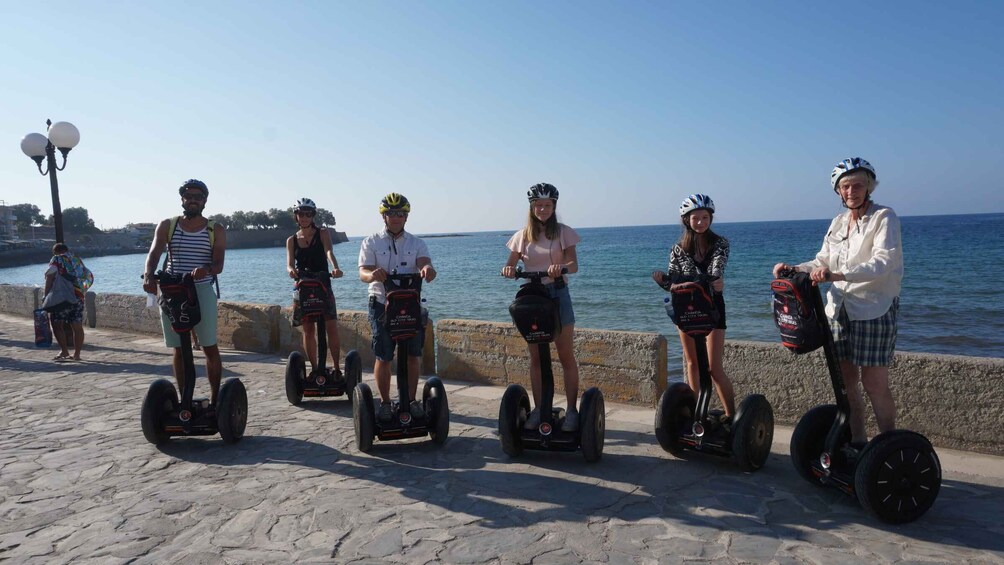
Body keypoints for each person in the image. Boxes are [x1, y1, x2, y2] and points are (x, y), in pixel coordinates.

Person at [773, 157, 903, 445]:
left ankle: (890, 447)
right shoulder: (838, 222)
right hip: (838, 309)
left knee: (874, 383)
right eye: (845, 186)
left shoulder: (884, 217)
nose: (851, 191)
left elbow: (884, 261)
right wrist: (795, 268)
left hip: (874, 308)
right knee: (845, 382)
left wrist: (839, 274)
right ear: (838, 191)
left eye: (858, 185)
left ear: (869, 187)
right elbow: (822, 261)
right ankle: (858, 441)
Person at [501, 183, 582, 432]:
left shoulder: (564, 232)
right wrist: (509, 269)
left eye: (547, 205)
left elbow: (573, 264)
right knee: (536, 357)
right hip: (532, 296)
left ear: (554, 206)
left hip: (557, 293)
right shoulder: (522, 236)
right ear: (532, 207)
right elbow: (511, 263)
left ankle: (571, 411)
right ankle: (538, 409)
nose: (543, 209)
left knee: (565, 355)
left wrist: (561, 268)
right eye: (538, 205)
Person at [142, 179, 227, 407]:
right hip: (172, 290)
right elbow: (154, 253)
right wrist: (149, 275)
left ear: (204, 200)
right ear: (182, 199)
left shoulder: (214, 229)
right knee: (179, 348)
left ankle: (216, 398)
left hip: (201, 288)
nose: (192, 200)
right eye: (188, 196)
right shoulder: (168, 225)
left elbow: (218, 263)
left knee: (209, 345)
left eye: (197, 197)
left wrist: (206, 269)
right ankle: (184, 399)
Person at [651, 194, 735, 423]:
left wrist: (717, 282)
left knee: (715, 368)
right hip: (686, 307)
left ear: (710, 218)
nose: (700, 222)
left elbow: (716, 271)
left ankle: (731, 417)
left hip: (713, 308)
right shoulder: (678, 248)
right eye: (695, 218)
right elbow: (674, 281)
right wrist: (663, 281)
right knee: (692, 363)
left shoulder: (720, 243)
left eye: (705, 217)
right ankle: (697, 414)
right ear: (686, 220)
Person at [358, 193, 437, 422]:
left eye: (400, 213)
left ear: (406, 216)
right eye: (391, 213)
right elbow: (363, 271)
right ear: (384, 216)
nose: (396, 217)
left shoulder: (417, 243)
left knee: (413, 353)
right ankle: (384, 403)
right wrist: (371, 274)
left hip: (410, 304)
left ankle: (411, 401)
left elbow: (425, 263)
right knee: (383, 355)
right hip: (381, 303)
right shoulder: (371, 242)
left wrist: (427, 270)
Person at [286, 197, 344, 376]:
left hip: (322, 283)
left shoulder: (323, 233)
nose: (304, 217)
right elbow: (289, 263)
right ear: (296, 216)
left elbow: (328, 251)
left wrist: (335, 268)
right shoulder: (291, 240)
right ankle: (314, 368)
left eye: (308, 214)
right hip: (303, 286)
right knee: (308, 329)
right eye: (300, 214)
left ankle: (336, 368)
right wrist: (290, 270)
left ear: (313, 216)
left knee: (331, 326)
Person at [45, 243, 92, 361]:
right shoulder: (77, 260)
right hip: (78, 297)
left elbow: (50, 277)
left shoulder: (56, 259)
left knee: (56, 323)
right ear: (67, 250)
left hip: (62, 297)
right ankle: (77, 354)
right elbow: (86, 276)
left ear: (55, 252)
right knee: (77, 326)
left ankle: (64, 351)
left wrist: (46, 296)